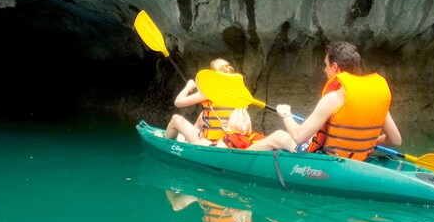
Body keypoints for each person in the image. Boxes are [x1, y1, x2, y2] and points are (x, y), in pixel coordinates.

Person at [265, 41, 401, 158]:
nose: (325, 70)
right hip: (361, 158)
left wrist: (285, 114)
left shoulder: (333, 98)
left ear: (335, 67)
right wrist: (367, 142)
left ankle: (242, 165)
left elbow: (299, 137)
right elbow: (395, 140)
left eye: (326, 65)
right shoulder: (373, 98)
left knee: (277, 136)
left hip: (331, 160)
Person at [165, 59, 235, 145]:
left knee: (175, 119)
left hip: (212, 144)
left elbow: (178, 102)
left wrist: (189, 86)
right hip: (228, 142)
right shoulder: (234, 92)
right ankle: (188, 142)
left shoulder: (210, 91)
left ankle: (165, 147)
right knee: (202, 116)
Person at [216, 107, 296, 151]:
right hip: (242, 158)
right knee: (279, 136)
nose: (243, 125)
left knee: (281, 137)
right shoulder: (224, 141)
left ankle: (301, 149)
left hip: (251, 154)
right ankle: (300, 150)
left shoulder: (253, 136)